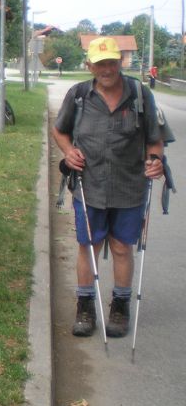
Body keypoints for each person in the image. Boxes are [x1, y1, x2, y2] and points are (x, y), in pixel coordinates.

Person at [52, 37, 164, 338]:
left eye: (112, 62)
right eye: (100, 63)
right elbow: (59, 130)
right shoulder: (78, 96)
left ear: (120, 62)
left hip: (130, 186)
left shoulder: (140, 94)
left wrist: (155, 160)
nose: (107, 69)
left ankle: (120, 306)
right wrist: (68, 151)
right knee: (88, 246)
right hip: (90, 185)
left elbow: (155, 138)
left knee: (121, 246)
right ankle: (85, 306)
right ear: (90, 65)